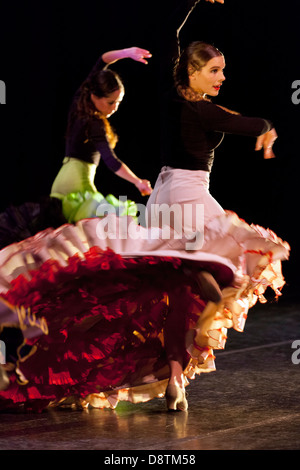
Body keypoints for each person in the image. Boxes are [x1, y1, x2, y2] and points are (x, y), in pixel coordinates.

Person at [0, 0, 289, 412]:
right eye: (214, 70)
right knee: (220, 274)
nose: (222, 77)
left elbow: (167, 37)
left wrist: (191, 2)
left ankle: (175, 378)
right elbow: (248, 124)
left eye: (222, 70)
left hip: (163, 200)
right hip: (189, 197)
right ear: (192, 72)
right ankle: (200, 304)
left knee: (176, 291)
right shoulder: (204, 111)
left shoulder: (171, 95)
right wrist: (267, 128)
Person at [50, 46, 153, 222]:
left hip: (65, 181)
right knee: (113, 220)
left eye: (119, 102)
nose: (115, 108)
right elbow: (111, 161)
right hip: (76, 188)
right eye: (110, 102)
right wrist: (137, 181)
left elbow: (103, 60)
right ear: (94, 96)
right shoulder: (94, 123)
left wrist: (126, 53)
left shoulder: (80, 102)